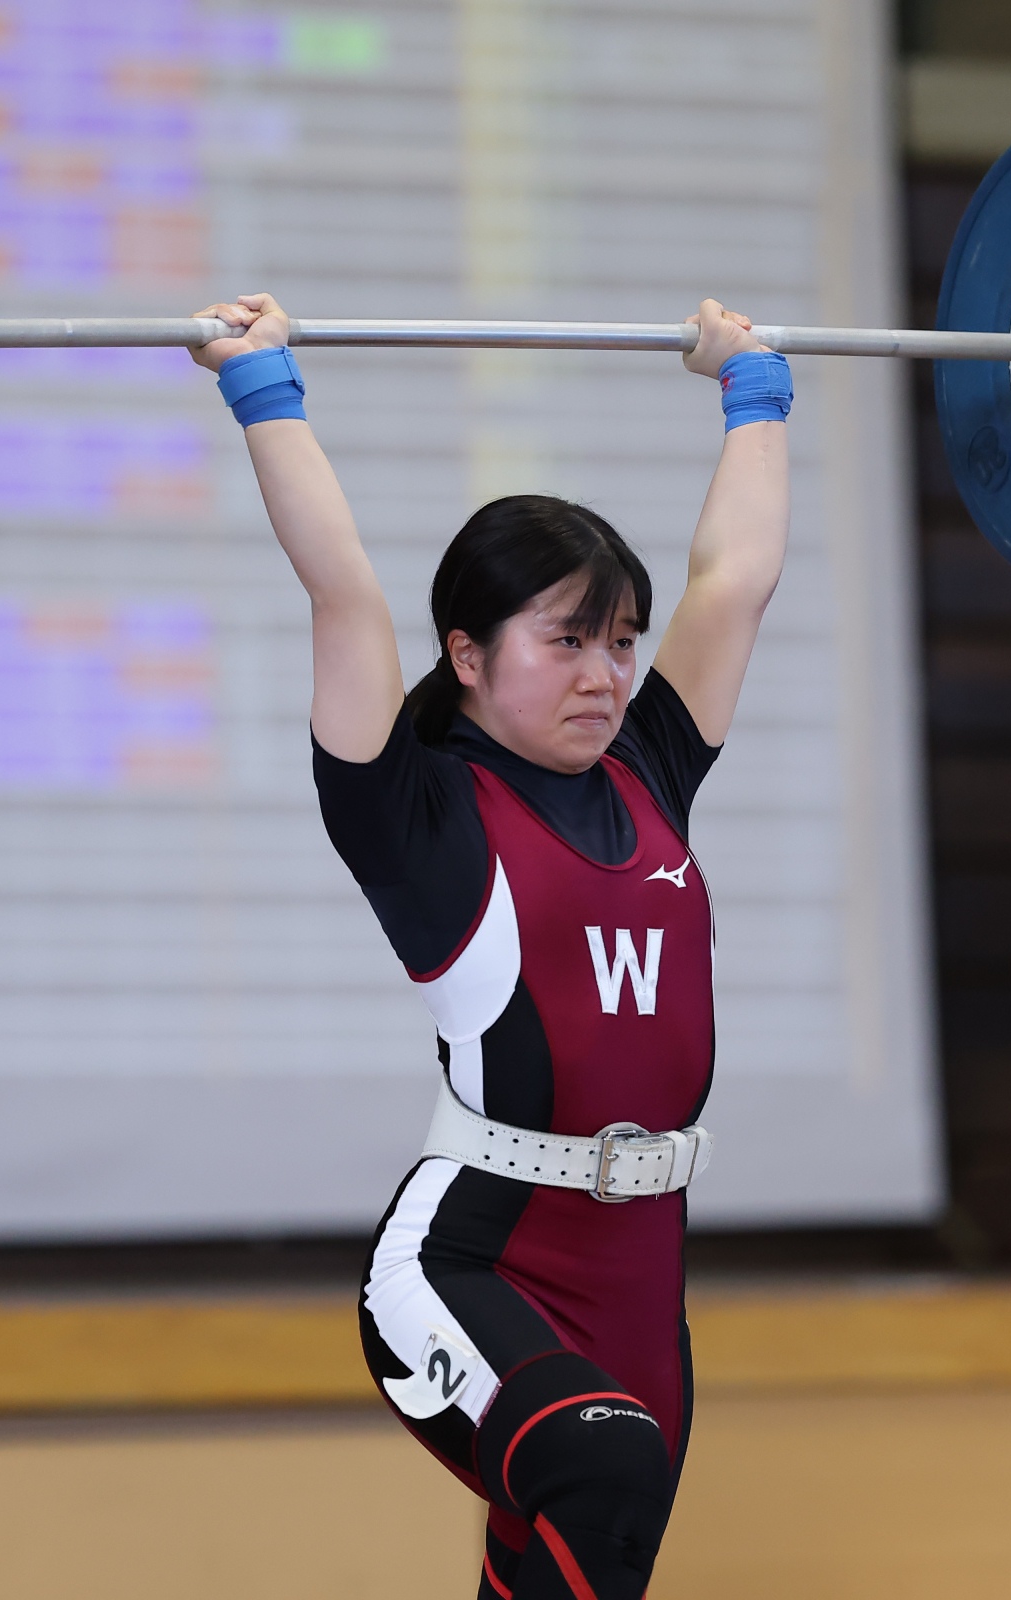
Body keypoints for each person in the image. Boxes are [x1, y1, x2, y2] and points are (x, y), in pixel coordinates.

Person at [192, 292, 791, 1600]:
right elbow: (343, 589)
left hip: (642, 1282)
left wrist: (755, 389)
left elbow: (735, 582)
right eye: (566, 640)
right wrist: (261, 388)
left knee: (582, 1556)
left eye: (621, 643)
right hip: (470, 1260)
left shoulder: (650, 769)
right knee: (602, 1466)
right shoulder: (419, 813)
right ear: (466, 654)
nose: (607, 674)